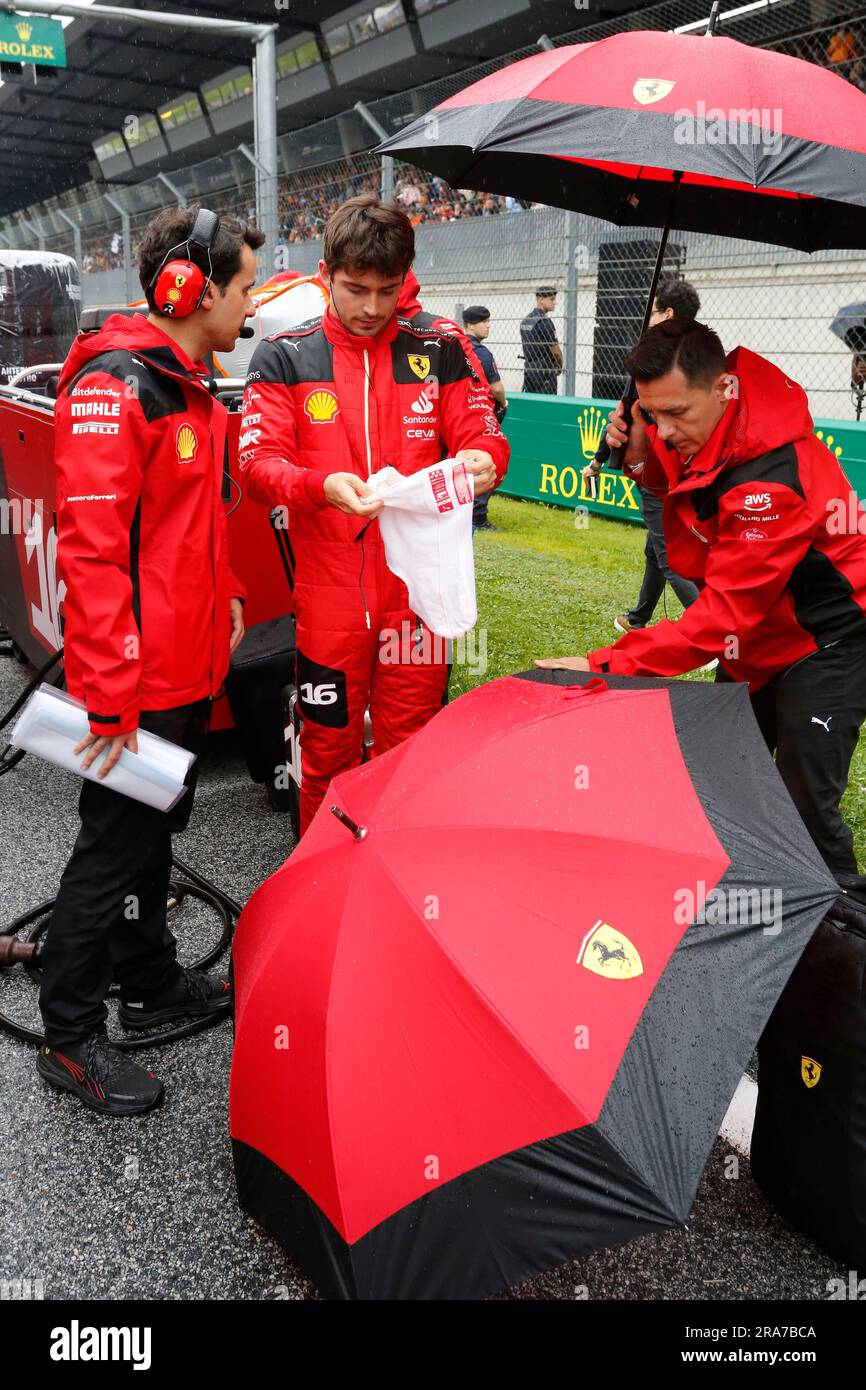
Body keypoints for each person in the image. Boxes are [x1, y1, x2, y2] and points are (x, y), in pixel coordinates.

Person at [38, 206, 258, 1116]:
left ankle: (149, 976)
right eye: (242, 285)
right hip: (135, 682)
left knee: (156, 833)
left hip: (183, 667)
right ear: (188, 287)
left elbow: (182, 525)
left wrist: (232, 589)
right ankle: (71, 1036)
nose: (250, 304)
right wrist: (109, 695)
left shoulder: (185, 382)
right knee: (111, 848)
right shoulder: (119, 386)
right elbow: (91, 555)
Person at [536, 315, 866, 888]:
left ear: (722, 388)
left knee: (803, 807)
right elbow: (677, 489)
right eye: (650, 413)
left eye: (675, 414)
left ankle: (845, 935)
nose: (663, 430)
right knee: (718, 781)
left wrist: (602, 665)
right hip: (756, 638)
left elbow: (720, 619)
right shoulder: (702, 422)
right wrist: (638, 453)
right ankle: (744, 904)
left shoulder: (774, 478)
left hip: (827, 643)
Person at [239, 195, 510, 834]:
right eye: (356, 289)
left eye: (387, 291)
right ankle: (322, 885)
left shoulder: (439, 345)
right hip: (328, 600)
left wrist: (484, 459)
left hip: (419, 596)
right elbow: (254, 467)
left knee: (410, 746)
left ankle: (396, 886)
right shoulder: (284, 354)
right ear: (325, 274)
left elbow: (482, 432)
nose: (371, 307)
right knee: (326, 751)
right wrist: (317, 484)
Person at [611, 278, 702, 633]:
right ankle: (639, 618)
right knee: (656, 548)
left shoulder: (654, 357)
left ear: (667, 313)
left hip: (658, 471)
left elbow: (626, 408)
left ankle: (707, 628)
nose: (648, 317)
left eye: (653, 311)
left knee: (667, 556)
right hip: (687, 468)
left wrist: (602, 458)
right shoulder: (700, 354)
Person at [463, 304, 507, 532]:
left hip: (457, 414)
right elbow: (496, 387)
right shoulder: (481, 352)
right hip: (480, 412)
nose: (488, 325)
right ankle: (478, 516)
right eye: (485, 321)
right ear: (471, 324)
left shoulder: (453, 345)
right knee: (485, 459)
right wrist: (503, 402)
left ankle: (464, 510)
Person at [520, 287, 562, 393]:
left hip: (530, 370)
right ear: (541, 300)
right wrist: (559, 366)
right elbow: (555, 350)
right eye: (552, 299)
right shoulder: (544, 322)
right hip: (545, 373)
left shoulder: (526, 320)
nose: (555, 302)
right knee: (548, 406)